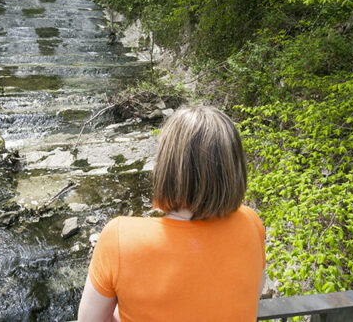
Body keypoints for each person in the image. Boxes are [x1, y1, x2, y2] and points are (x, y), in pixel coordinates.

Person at [77, 105, 266, 322]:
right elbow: (251, 294)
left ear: (166, 167)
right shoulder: (251, 222)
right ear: (234, 169)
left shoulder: (119, 238)